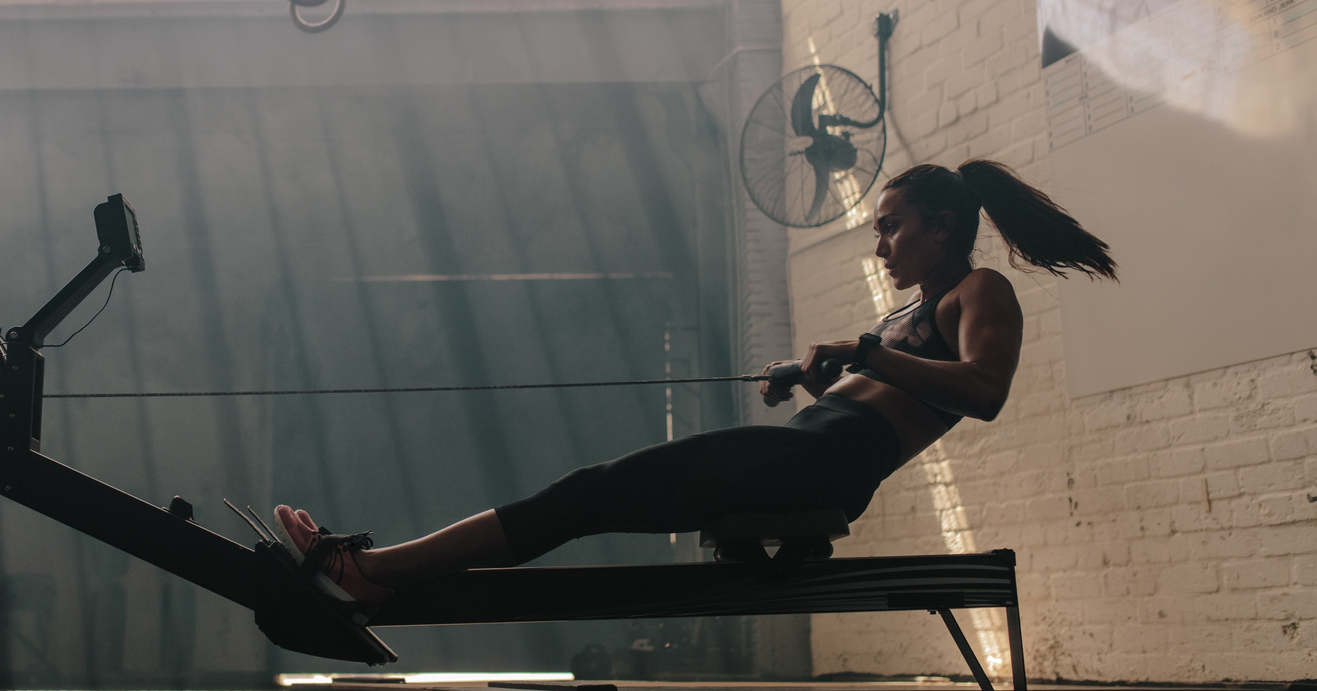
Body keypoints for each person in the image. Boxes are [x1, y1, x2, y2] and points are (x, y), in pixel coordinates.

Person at [275, 159, 1118, 605]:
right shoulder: (913, 312)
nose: (880, 245)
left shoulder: (980, 291)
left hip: (819, 472)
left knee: (587, 493)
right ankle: (377, 571)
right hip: (803, 455)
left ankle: (373, 571)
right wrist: (812, 376)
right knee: (589, 496)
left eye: (890, 229)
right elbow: (889, 387)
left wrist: (862, 352)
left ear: (942, 229)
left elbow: (983, 391)